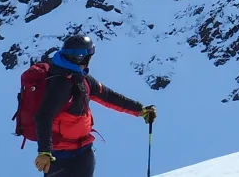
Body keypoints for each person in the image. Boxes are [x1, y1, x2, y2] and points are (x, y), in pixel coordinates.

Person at [33, 35, 158, 176]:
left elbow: (108, 96)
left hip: (83, 149)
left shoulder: (81, 77)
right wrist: (45, 151)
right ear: (81, 57)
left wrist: (139, 110)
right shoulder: (60, 83)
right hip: (59, 154)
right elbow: (44, 116)